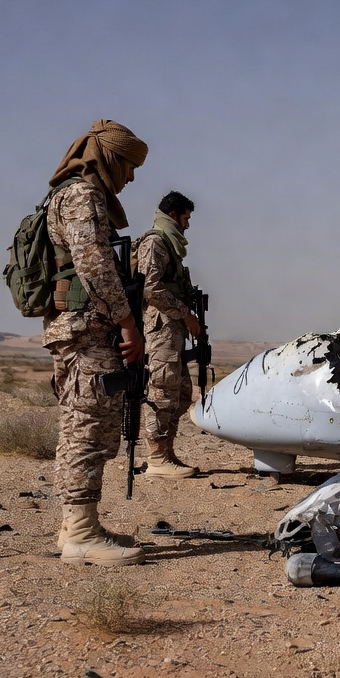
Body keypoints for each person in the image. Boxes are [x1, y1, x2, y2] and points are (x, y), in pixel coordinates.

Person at [44, 120, 148, 566]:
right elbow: (95, 265)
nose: (131, 177)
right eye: (128, 165)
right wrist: (127, 323)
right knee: (87, 430)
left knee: (84, 428)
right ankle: (81, 536)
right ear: (108, 158)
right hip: (88, 329)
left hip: (82, 328)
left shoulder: (70, 194)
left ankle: (76, 526)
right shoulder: (83, 195)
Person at [134, 191, 201, 477]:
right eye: (186, 218)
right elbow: (151, 288)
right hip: (160, 327)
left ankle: (166, 452)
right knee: (161, 392)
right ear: (173, 215)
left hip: (172, 329)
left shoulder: (170, 245)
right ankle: (157, 458)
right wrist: (185, 313)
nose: (188, 224)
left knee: (181, 393)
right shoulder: (155, 242)